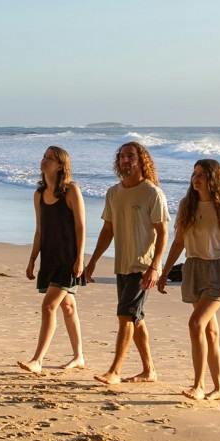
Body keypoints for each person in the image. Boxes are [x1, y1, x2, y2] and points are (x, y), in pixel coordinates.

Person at [80, 141, 168, 386]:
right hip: (122, 264)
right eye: (121, 157)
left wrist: (155, 266)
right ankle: (149, 371)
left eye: (130, 156)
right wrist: (92, 261)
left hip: (143, 266)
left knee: (125, 316)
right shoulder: (113, 193)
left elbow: (163, 232)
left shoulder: (152, 193)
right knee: (135, 318)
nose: (125, 160)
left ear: (142, 160)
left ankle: (115, 371)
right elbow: (107, 230)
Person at [158, 158, 220, 401]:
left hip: (219, 270)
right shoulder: (187, 204)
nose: (196, 179)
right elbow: (178, 242)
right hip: (193, 267)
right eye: (194, 174)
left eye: (202, 175)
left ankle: (198, 385)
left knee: (196, 323)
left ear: (213, 179)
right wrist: (165, 272)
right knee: (210, 332)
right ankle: (218, 389)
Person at [18, 146, 86, 375]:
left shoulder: (71, 191)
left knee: (49, 306)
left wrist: (80, 258)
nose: (44, 160)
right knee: (68, 306)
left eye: (50, 158)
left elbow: (81, 226)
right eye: (44, 157)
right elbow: (39, 230)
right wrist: (32, 259)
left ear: (60, 165)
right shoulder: (38, 194)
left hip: (68, 258)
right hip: (49, 257)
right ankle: (79, 356)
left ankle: (37, 360)